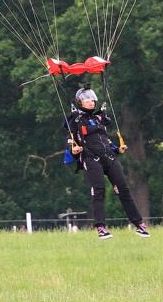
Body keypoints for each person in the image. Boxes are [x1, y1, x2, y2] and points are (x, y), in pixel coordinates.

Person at [64, 87, 150, 239]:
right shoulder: (75, 120)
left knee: (123, 189)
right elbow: (71, 142)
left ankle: (139, 224)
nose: (91, 102)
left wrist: (117, 149)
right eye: (87, 99)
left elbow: (104, 140)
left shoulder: (99, 118)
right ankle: (101, 228)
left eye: (92, 99)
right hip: (91, 159)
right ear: (79, 102)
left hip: (109, 157)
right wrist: (74, 150)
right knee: (99, 191)